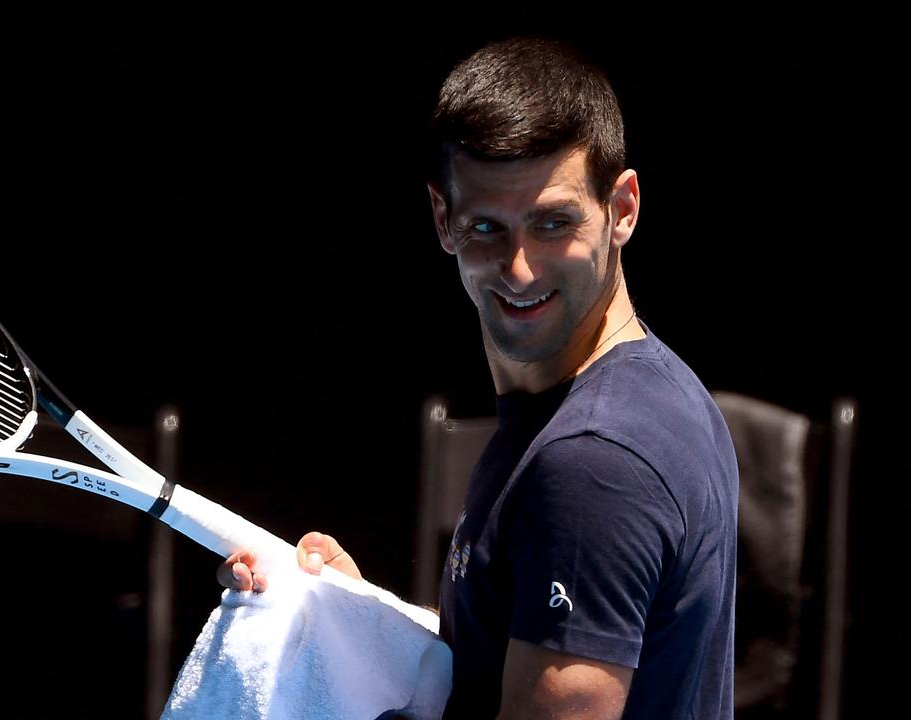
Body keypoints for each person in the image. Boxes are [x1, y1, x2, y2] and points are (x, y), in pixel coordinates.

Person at [217, 36, 738, 719]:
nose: (519, 269)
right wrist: (358, 625)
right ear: (443, 218)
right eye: (487, 227)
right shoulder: (639, 395)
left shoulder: (593, 461)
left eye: (553, 223)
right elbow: (505, 651)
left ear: (624, 208)